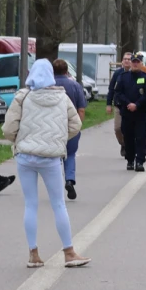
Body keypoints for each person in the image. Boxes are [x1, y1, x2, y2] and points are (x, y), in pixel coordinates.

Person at [2, 59, 89, 269]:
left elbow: (8, 128)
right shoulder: (62, 98)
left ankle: (33, 253)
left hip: (25, 156)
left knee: (31, 204)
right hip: (50, 157)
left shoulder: (22, 97)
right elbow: (76, 124)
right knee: (58, 204)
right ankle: (69, 252)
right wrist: (59, 139)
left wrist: (19, 141)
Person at [53, 58, 88, 201]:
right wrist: (78, 125)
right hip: (70, 126)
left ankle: (55, 185)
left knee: (54, 156)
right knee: (71, 154)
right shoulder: (75, 85)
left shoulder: (49, 85)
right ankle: (69, 180)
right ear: (67, 71)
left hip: (53, 127)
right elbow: (81, 109)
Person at [112, 54, 146, 172]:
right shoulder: (123, 77)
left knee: (140, 137)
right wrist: (128, 103)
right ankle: (130, 159)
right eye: (133, 62)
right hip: (127, 112)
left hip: (140, 113)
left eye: (137, 62)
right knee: (128, 138)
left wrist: (137, 104)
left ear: (141, 64)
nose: (135, 64)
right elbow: (118, 93)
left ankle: (140, 161)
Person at [106, 52, 132, 158]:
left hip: (131, 106)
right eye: (125, 59)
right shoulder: (117, 74)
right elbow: (111, 89)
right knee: (118, 128)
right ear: (122, 61)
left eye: (129, 59)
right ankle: (123, 144)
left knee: (129, 129)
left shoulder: (135, 73)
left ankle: (130, 146)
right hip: (118, 105)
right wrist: (108, 104)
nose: (126, 61)